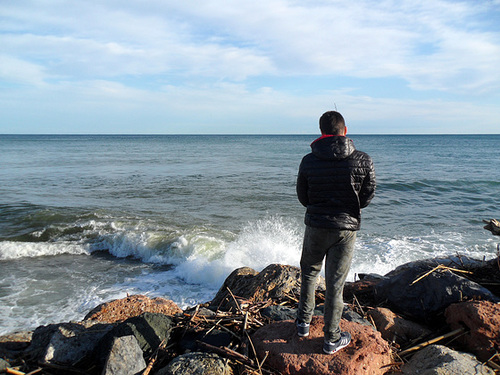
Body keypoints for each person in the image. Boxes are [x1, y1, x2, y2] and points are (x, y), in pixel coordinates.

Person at [295, 110, 376, 354]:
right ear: (345, 131)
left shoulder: (309, 160)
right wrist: (349, 208)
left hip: (316, 225)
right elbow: (367, 195)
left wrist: (319, 207)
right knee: (335, 284)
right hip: (345, 227)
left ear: (321, 132)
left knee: (309, 273)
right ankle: (331, 338)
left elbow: (303, 196)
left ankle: (302, 324)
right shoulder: (363, 159)